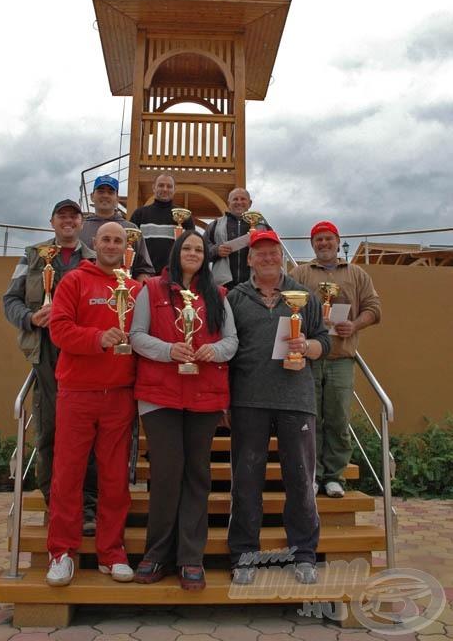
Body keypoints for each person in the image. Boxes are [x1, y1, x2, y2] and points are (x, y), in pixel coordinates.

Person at [130, 230, 238, 591]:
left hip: (204, 394)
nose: (192, 253)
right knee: (165, 472)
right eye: (186, 248)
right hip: (160, 395)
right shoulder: (152, 290)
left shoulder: (218, 294)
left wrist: (215, 352)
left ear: (204, 256)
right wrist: (168, 350)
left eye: (198, 249)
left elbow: (231, 340)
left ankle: (191, 557)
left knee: (197, 473)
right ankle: (157, 553)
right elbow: (137, 335)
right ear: (176, 253)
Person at [227, 230, 331, 586]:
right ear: (250, 259)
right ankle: (244, 555)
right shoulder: (236, 298)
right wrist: (225, 400)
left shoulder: (305, 297)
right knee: (245, 480)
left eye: (273, 252)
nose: (268, 258)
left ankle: (304, 554)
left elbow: (325, 340)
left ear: (282, 257)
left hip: (296, 400)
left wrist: (309, 347)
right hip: (247, 400)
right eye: (261, 253)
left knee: (300, 481)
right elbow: (227, 349)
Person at [45, 222, 142, 586]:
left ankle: (111, 552)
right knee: (68, 474)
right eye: (106, 239)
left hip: (119, 393)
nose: (112, 245)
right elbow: (59, 329)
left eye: (119, 240)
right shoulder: (73, 281)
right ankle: (61, 552)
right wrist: (99, 338)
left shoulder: (133, 289)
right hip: (77, 391)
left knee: (115, 478)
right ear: (94, 243)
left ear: (126, 246)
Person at [3, 199, 98, 531]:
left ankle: (87, 506)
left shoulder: (96, 258)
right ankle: (56, 500)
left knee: (89, 433)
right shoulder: (31, 255)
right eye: (63, 216)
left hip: (85, 355)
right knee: (49, 430)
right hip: (45, 354)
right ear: (52, 221)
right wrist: (30, 318)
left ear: (82, 222)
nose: (68, 221)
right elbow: (10, 300)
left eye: (74, 216)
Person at [291, 221, 382, 498]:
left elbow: (374, 309)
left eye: (328, 239)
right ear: (312, 244)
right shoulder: (299, 273)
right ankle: (313, 474)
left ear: (337, 240)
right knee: (310, 419)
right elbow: (285, 307)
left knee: (339, 419)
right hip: (308, 358)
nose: (324, 244)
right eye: (318, 240)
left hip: (341, 358)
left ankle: (334, 476)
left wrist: (354, 325)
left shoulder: (356, 273)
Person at [81, 174, 155, 283]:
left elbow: (144, 269)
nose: (105, 195)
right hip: (84, 294)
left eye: (110, 192)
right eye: (101, 191)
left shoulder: (132, 229)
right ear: (92, 196)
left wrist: (135, 292)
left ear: (117, 198)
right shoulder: (80, 228)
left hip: (122, 296)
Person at [204, 187, 272, 289]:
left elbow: (275, 250)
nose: (239, 202)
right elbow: (202, 250)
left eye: (243, 199)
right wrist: (216, 250)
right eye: (235, 199)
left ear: (250, 203)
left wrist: (259, 247)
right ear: (229, 203)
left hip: (256, 285)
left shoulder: (262, 227)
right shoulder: (215, 225)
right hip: (223, 285)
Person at [129, 173, 194, 275]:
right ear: (153, 188)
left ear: (174, 189)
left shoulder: (184, 216)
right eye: (161, 185)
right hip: (144, 275)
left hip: (174, 275)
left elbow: (191, 247)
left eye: (169, 186)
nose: (165, 189)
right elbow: (130, 246)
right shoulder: (139, 214)